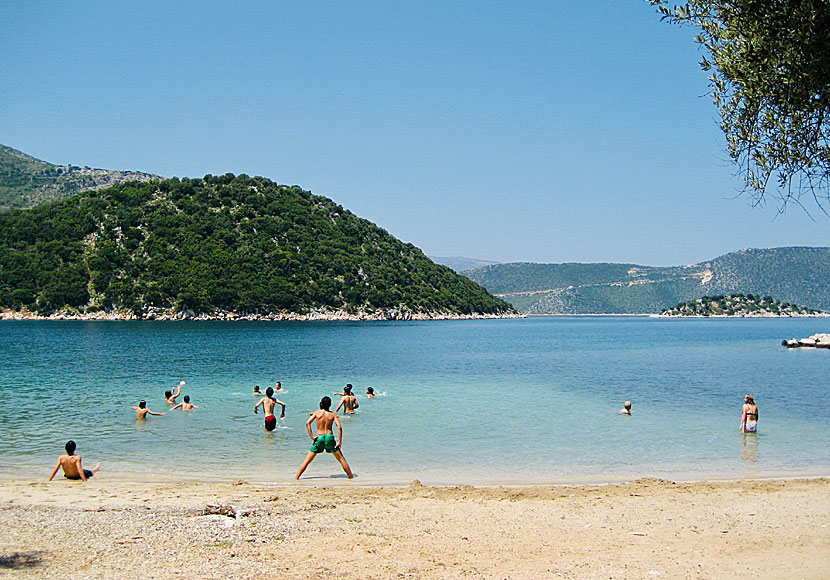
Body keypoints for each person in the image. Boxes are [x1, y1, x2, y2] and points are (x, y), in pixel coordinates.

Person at [295, 396, 353, 479]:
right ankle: (351, 477)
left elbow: (308, 423)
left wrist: (312, 436)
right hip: (329, 437)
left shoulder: (317, 413)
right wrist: (340, 442)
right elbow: (339, 427)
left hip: (319, 437)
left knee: (307, 460)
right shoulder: (333, 414)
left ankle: (297, 477)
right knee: (341, 459)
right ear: (330, 405)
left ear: (321, 404)